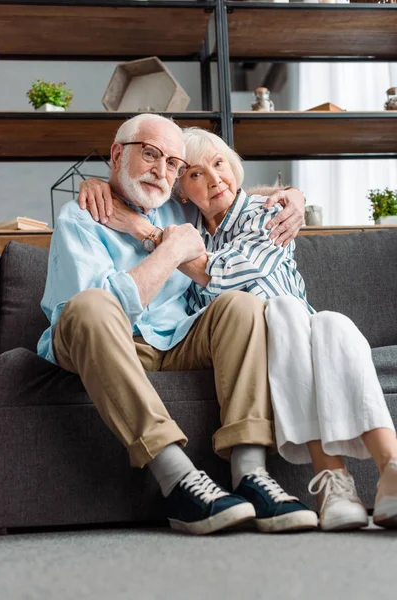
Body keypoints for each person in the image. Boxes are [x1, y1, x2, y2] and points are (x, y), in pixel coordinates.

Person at [81, 125, 397, 532]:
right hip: (255, 340)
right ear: (181, 191)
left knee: (326, 322)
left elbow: (226, 274)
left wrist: (152, 235)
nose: (213, 179)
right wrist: (98, 183)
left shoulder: (268, 214)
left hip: (298, 326)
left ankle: (386, 469)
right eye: (194, 174)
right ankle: (335, 484)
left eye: (219, 165)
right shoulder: (191, 227)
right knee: (284, 316)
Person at [39, 113, 318, 536]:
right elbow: (103, 312)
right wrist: (169, 252)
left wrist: (291, 196)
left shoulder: (175, 204)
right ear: (117, 154)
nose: (162, 170)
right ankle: (179, 479)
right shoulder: (81, 216)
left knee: (240, 306)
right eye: (150, 155)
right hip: (105, 340)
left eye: (172, 163)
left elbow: (226, 191)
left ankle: (251, 475)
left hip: (175, 339)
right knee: (92, 305)